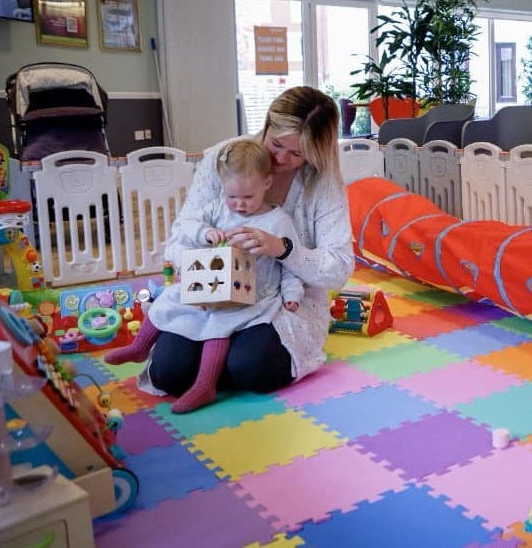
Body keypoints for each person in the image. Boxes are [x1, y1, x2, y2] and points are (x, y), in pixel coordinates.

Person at [130, 86, 354, 410]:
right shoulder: (225, 159)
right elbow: (180, 237)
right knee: (169, 374)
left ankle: (222, 362)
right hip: (212, 294)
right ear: (266, 126)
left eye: (297, 154)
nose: (281, 160)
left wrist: (283, 249)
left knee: (252, 367)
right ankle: (216, 358)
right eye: (276, 145)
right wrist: (206, 253)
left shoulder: (322, 182)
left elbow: (338, 267)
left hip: (278, 300)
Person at [105, 140, 305, 413]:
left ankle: (205, 385)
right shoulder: (217, 209)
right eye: (231, 196)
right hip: (209, 284)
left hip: (251, 295)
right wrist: (205, 233)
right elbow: (186, 225)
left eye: (248, 197)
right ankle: (140, 346)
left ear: (267, 184)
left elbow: (290, 266)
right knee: (171, 297)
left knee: (221, 319)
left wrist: (293, 295)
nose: (239, 204)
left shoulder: (277, 221)